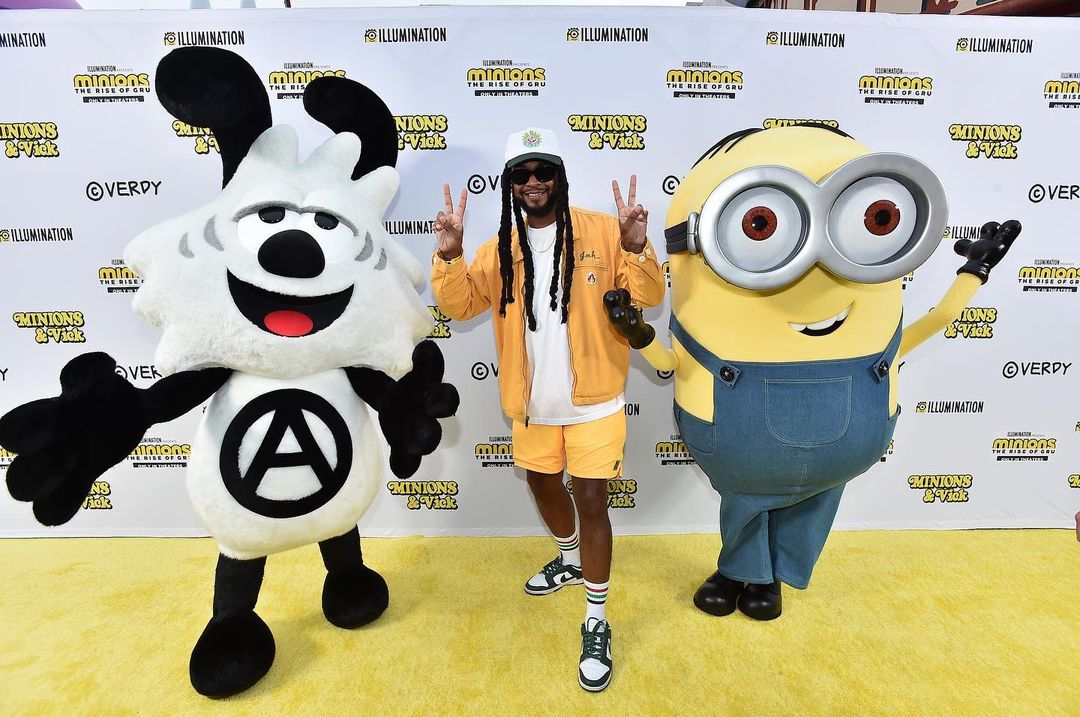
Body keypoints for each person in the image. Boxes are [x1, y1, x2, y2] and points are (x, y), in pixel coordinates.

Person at [431, 127, 664, 691]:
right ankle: (569, 557)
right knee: (542, 485)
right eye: (522, 174)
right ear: (510, 185)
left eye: (543, 171)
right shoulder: (499, 249)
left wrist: (636, 247)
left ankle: (596, 619)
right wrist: (450, 255)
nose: (533, 182)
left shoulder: (604, 232)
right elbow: (460, 305)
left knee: (592, 500)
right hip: (532, 407)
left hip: (595, 402)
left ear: (560, 176)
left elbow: (649, 296)